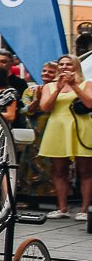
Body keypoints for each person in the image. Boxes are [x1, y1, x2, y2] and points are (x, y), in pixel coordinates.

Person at [34, 55, 92, 220]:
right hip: (58, 127)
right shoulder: (50, 86)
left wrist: (74, 86)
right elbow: (45, 107)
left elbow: (89, 104)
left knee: (86, 170)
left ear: (76, 67)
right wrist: (58, 88)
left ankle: (84, 210)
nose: (65, 67)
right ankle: (62, 207)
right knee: (59, 170)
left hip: (81, 127)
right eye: (62, 64)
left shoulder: (86, 83)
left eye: (69, 64)